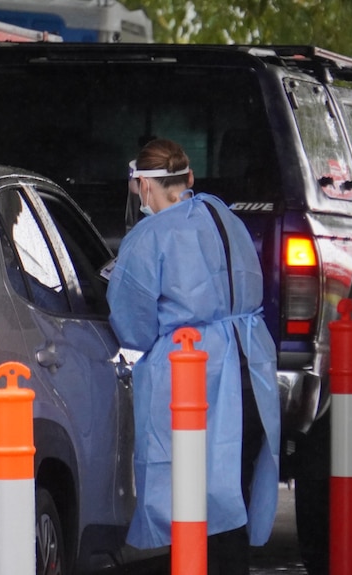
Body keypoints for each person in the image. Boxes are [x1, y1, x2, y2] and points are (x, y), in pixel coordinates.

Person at [106, 138, 280, 574]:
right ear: (188, 178)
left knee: (193, 501)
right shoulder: (224, 216)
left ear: (143, 185)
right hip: (249, 368)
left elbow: (132, 320)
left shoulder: (150, 236)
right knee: (232, 494)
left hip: (195, 374)